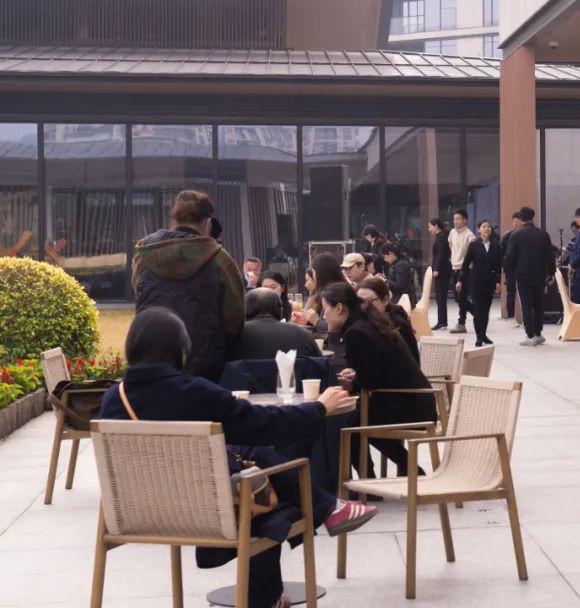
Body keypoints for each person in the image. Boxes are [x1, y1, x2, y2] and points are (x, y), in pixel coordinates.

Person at [100, 307, 376, 608]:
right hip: (204, 512)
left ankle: (323, 516)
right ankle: (272, 586)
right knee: (266, 503)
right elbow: (266, 424)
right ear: (181, 350)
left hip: (138, 513)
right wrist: (319, 408)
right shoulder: (196, 393)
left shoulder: (114, 398)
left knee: (251, 461)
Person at [321, 283, 437, 477]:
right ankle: (403, 469)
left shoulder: (356, 332)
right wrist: (356, 375)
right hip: (415, 401)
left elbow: (371, 382)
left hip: (408, 406)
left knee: (349, 423)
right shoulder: (367, 322)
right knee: (355, 420)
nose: (324, 315)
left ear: (339, 308)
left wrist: (353, 380)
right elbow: (378, 370)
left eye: (325, 309)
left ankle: (369, 481)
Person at [132, 190, 245, 381]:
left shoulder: (145, 255)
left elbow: (139, 293)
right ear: (208, 222)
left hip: (151, 359)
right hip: (205, 366)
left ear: (175, 219)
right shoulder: (219, 258)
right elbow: (234, 319)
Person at [503, 206, 555, 347]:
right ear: (533, 217)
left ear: (521, 218)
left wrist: (508, 271)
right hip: (539, 275)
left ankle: (530, 335)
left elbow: (509, 256)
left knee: (526, 306)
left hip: (522, 276)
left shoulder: (516, 235)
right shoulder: (543, 235)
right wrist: (551, 273)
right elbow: (550, 256)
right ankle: (538, 333)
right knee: (538, 305)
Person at [231, 288, 322, 361]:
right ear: (280, 311)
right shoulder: (303, 335)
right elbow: (321, 366)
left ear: (245, 310)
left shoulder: (233, 336)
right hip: (294, 379)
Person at [459, 219, 502, 347]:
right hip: (476, 282)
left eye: (488, 226)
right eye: (484, 227)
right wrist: (460, 280)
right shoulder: (474, 245)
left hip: (489, 282)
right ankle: (479, 337)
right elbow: (465, 264)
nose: (487, 229)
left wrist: (498, 281)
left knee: (486, 310)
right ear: (479, 230)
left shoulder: (496, 245)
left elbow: (498, 266)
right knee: (478, 310)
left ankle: (483, 334)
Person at [357, 275, 419, 361]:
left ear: (385, 300)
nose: (365, 306)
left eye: (369, 301)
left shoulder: (397, 325)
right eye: (360, 302)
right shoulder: (365, 321)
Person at [294, 253, 347, 328]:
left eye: (314, 272)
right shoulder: (329, 291)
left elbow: (337, 327)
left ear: (321, 274)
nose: (314, 276)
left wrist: (316, 321)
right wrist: (308, 321)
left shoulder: (336, 293)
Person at [448, 208, 476, 334]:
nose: (456, 221)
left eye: (458, 219)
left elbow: (471, 255)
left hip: (466, 270)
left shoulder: (470, 236)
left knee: (462, 296)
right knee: (458, 298)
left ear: (465, 220)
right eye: (454, 219)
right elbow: (451, 246)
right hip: (454, 268)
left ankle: (461, 323)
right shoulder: (452, 232)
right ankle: (478, 313)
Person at [428, 218, 452, 331]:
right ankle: (442, 321)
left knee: (441, 297)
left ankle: (441, 321)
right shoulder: (440, 236)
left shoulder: (442, 237)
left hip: (442, 271)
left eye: (430, 226)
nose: (429, 229)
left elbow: (441, 255)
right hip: (442, 270)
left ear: (436, 226)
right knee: (440, 297)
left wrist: (436, 269)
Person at [501, 211, 523, 327]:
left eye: (517, 221)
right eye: (513, 221)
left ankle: (526, 317)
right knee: (511, 293)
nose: (515, 224)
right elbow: (502, 253)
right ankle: (510, 316)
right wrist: (505, 267)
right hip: (511, 269)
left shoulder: (525, 234)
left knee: (524, 293)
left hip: (524, 268)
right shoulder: (507, 236)